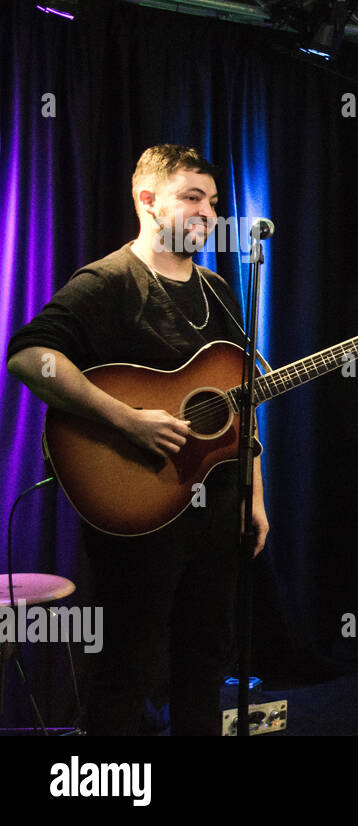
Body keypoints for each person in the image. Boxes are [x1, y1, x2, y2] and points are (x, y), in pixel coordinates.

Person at [6, 144, 269, 735]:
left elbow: (244, 404)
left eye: (214, 202)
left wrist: (255, 495)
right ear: (147, 201)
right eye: (191, 198)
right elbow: (29, 357)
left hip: (217, 507)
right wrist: (127, 419)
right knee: (130, 667)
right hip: (138, 505)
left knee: (205, 662)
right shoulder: (109, 281)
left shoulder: (219, 291)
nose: (208, 212)